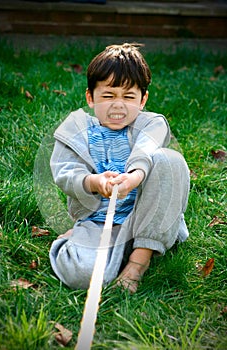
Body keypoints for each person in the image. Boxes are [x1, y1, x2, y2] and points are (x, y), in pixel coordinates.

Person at [49, 43, 190, 293]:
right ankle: (90, 242)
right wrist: (94, 182)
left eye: (128, 96)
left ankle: (139, 261)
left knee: (170, 160)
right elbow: (65, 171)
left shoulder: (151, 124)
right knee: (81, 274)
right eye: (108, 96)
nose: (118, 106)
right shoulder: (76, 129)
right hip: (98, 222)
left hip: (145, 217)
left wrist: (134, 177)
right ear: (90, 98)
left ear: (143, 99)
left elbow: (146, 150)